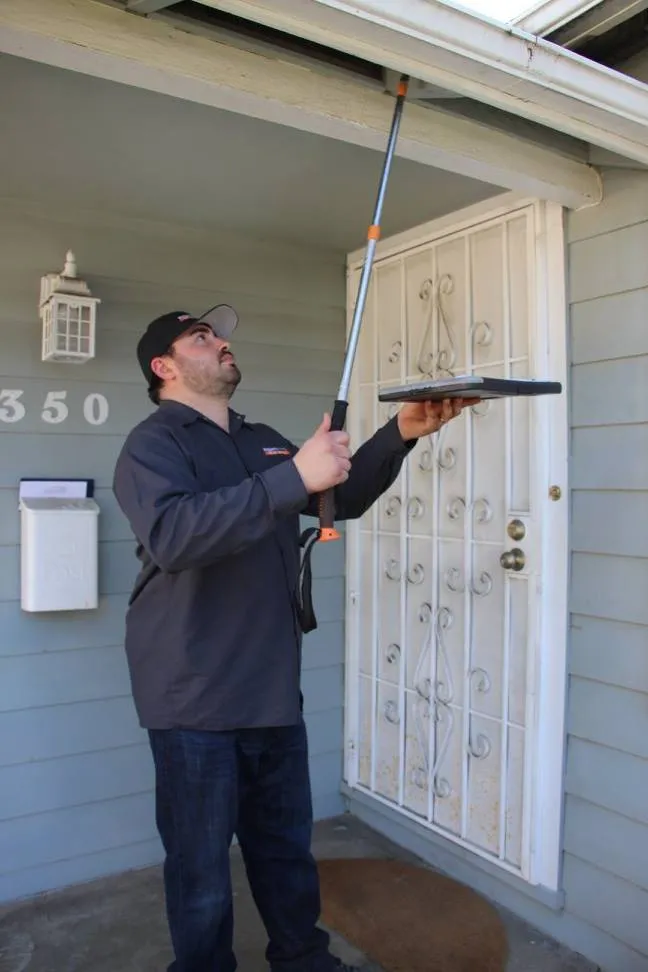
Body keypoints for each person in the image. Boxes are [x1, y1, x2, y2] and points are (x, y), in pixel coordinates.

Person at [112, 303, 471, 972]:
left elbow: (339, 494)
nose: (220, 342)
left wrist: (399, 432)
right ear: (164, 367)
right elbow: (175, 535)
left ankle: (304, 959)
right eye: (201, 336)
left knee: (283, 849)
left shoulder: (262, 440)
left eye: (219, 334)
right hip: (193, 696)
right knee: (200, 870)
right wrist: (292, 476)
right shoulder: (154, 444)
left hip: (272, 687)